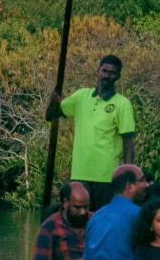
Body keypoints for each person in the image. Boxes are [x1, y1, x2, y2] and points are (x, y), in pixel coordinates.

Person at [46, 55, 136, 210]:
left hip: (106, 177)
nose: (107, 76)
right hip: (79, 175)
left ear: (118, 77)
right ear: (98, 71)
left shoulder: (123, 104)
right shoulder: (81, 96)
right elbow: (51, 115)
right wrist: (52, 100)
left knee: (101, 221)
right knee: (78, 224)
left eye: (112, 73)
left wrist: (127, 176)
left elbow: (128, 142)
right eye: (104, 71)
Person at [83, 164, 150, 260]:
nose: (147, 185)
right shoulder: (139, 215)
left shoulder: (95, 217)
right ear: (130, 186)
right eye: (143, 180)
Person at [34, 181, 91, 260]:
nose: (83, 212)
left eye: (86, 207)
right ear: (65, 203)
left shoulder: (96, 222)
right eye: (77, 208)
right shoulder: (50, 226)